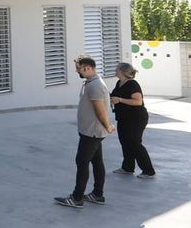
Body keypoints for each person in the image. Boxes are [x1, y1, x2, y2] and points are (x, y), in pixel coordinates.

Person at [54, 55, 116, 208]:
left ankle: (77, 198)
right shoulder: (91, 82)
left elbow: (100, 110)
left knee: (82, 162)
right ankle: (97, 195)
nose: (77, 71)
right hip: (91, 130)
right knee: (96, 162)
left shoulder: (94, 85)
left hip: (92, 132)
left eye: (78, 68)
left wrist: (108, 125)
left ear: (87, 68)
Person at [111, 63, 156, 178]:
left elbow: (138, 101)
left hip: (136, 118)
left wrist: (120, 100)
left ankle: (149, 171)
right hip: (123, 118)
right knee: (125, 142)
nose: (115, 71)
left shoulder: (132, 84)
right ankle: (128, 167)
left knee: (134, 143)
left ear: (122, 71)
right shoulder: (119, 83)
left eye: (117, 69)